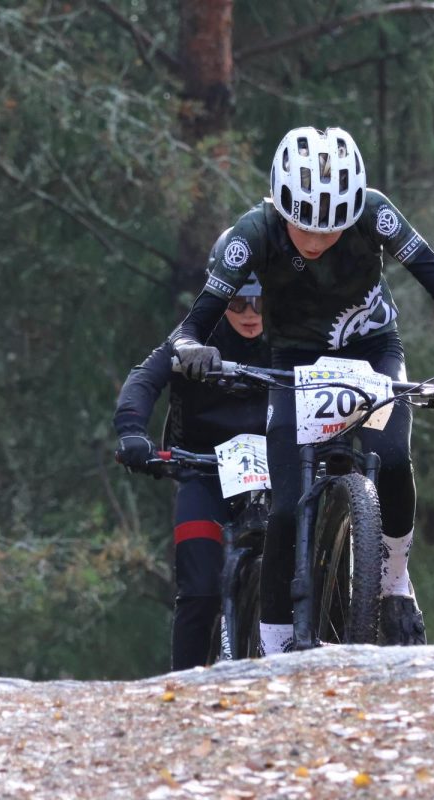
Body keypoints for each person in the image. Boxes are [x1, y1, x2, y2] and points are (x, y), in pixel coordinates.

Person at [169, 126, 434, 653]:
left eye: (331, 230)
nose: (316, 241)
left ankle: (394, 583)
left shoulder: (375, 213)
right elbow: (196, 321)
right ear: (282, 208)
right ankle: (275, 646)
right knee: (284, 508)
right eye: (304, 227)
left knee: (391, 457)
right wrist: (192, 347)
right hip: (296, 360)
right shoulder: (253, 232)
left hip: (372, 349)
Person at [114, 244, 271, 671]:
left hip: (278, 468)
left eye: (261, 300)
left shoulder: (293, 331)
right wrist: (132, 433)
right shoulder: (195, 332)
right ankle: (183, 690)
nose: (251, 312)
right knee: (200, 590)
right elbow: (144, 380)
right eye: (237, 301)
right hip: (204, 471)